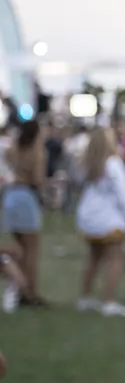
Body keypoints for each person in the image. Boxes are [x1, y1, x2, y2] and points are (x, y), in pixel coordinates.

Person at [74, 127, 125, 317]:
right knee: (115, 258)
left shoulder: (87, 163)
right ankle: (109, 300)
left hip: (88, 217)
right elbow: (123, 192)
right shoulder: (113, 163)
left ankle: (84, 296)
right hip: (110, 218)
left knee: (93, 257)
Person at [1, 120, 48, 306]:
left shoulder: (12, 150)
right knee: (31, 251)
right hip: (27, 197)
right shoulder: (37, 152)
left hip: (11, 196)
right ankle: (30, 292)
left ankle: (18, 288)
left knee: (19, 249)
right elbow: (37, 179)